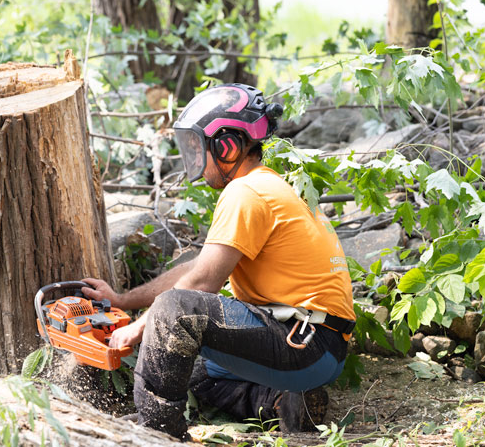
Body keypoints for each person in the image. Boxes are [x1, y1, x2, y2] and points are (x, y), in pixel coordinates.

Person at [82, 83, 355, 440]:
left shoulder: (246, 193)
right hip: (320, 348)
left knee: (175, 311)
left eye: (198, 147)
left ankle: (156, 433)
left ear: (226, 146)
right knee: (192, 375)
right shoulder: (264, 187)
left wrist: (138, 328)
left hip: (306, 343)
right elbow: (196, 269)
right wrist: (121, 301)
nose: (193, 157)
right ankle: (280, 401)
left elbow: (197, 287)